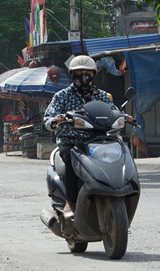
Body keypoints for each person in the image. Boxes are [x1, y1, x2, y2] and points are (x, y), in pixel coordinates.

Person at [43, 55, 118, 220]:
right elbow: (48, 119)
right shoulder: (62, 96)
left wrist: (124, 117)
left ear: (93, 74)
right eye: (78, 73)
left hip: (98, 142)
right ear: (72, 75)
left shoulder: (102, 96)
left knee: (118, 151)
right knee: (72, 158)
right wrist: (56, 120)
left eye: (87, 73)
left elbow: (114, 111)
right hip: (71, 142)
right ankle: (70, 201)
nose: (83, 77)